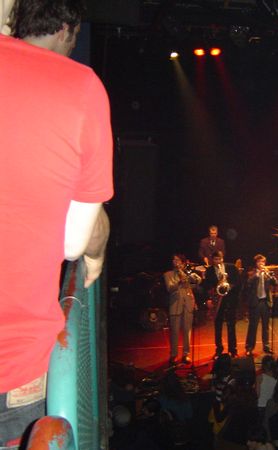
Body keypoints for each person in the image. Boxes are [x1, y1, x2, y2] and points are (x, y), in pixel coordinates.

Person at [0, 0, 113, 447]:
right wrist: (97, 252)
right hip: (11, 362)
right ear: (68, 28)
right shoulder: (80, 86)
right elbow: (73, 243)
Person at [204, 251, 241, 357]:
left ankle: (233, 350)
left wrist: (229, 286)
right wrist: (208, 299)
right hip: (217, 301)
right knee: (218, 325)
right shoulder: (209, 271)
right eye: (216, 259)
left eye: (219, 259)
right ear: (212, 260)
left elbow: (238, 282)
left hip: (230, 300)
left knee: (231, 325)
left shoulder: (231, 268)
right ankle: (219, 349)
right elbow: (206, 286)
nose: (218, 261)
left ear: (222, 258)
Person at [163, 254, 198, 365]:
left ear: (183, 262)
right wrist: (179, 282)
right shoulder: (168, 274)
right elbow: (170, 288)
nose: (175, 261)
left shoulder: (187, 273)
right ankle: (173, 355)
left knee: (187, 331)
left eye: (178, 260)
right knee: (174, 331)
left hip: (188, 304)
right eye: (174, 260)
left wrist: (190, 274)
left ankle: (186, 354)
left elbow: (198, 281)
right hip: (175, 305)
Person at [245, 254, 278, 356]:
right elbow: (248, 283)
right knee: (253, 326)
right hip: (255, 302)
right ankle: (249, 347)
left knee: (265, 326)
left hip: (265, 302)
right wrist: (257, 275)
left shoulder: (267, 273)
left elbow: (276, 283)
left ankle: (266, 346)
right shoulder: (252, 273)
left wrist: (270, 275)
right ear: (256, 263)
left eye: (263, 262)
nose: (262, 264)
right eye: (259, 262)